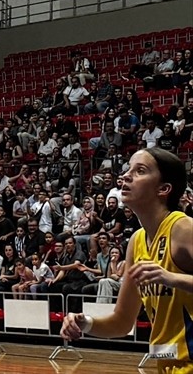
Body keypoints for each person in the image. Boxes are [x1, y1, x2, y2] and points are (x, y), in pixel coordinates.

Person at [62, 148, 193, 372]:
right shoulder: (137, 241)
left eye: (140, 170)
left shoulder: (183, 228)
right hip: (168, 365)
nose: (126, 176)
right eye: (128, 169)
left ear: (163, 189)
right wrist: (85, 323)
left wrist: (171, 278)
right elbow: (122, 322)